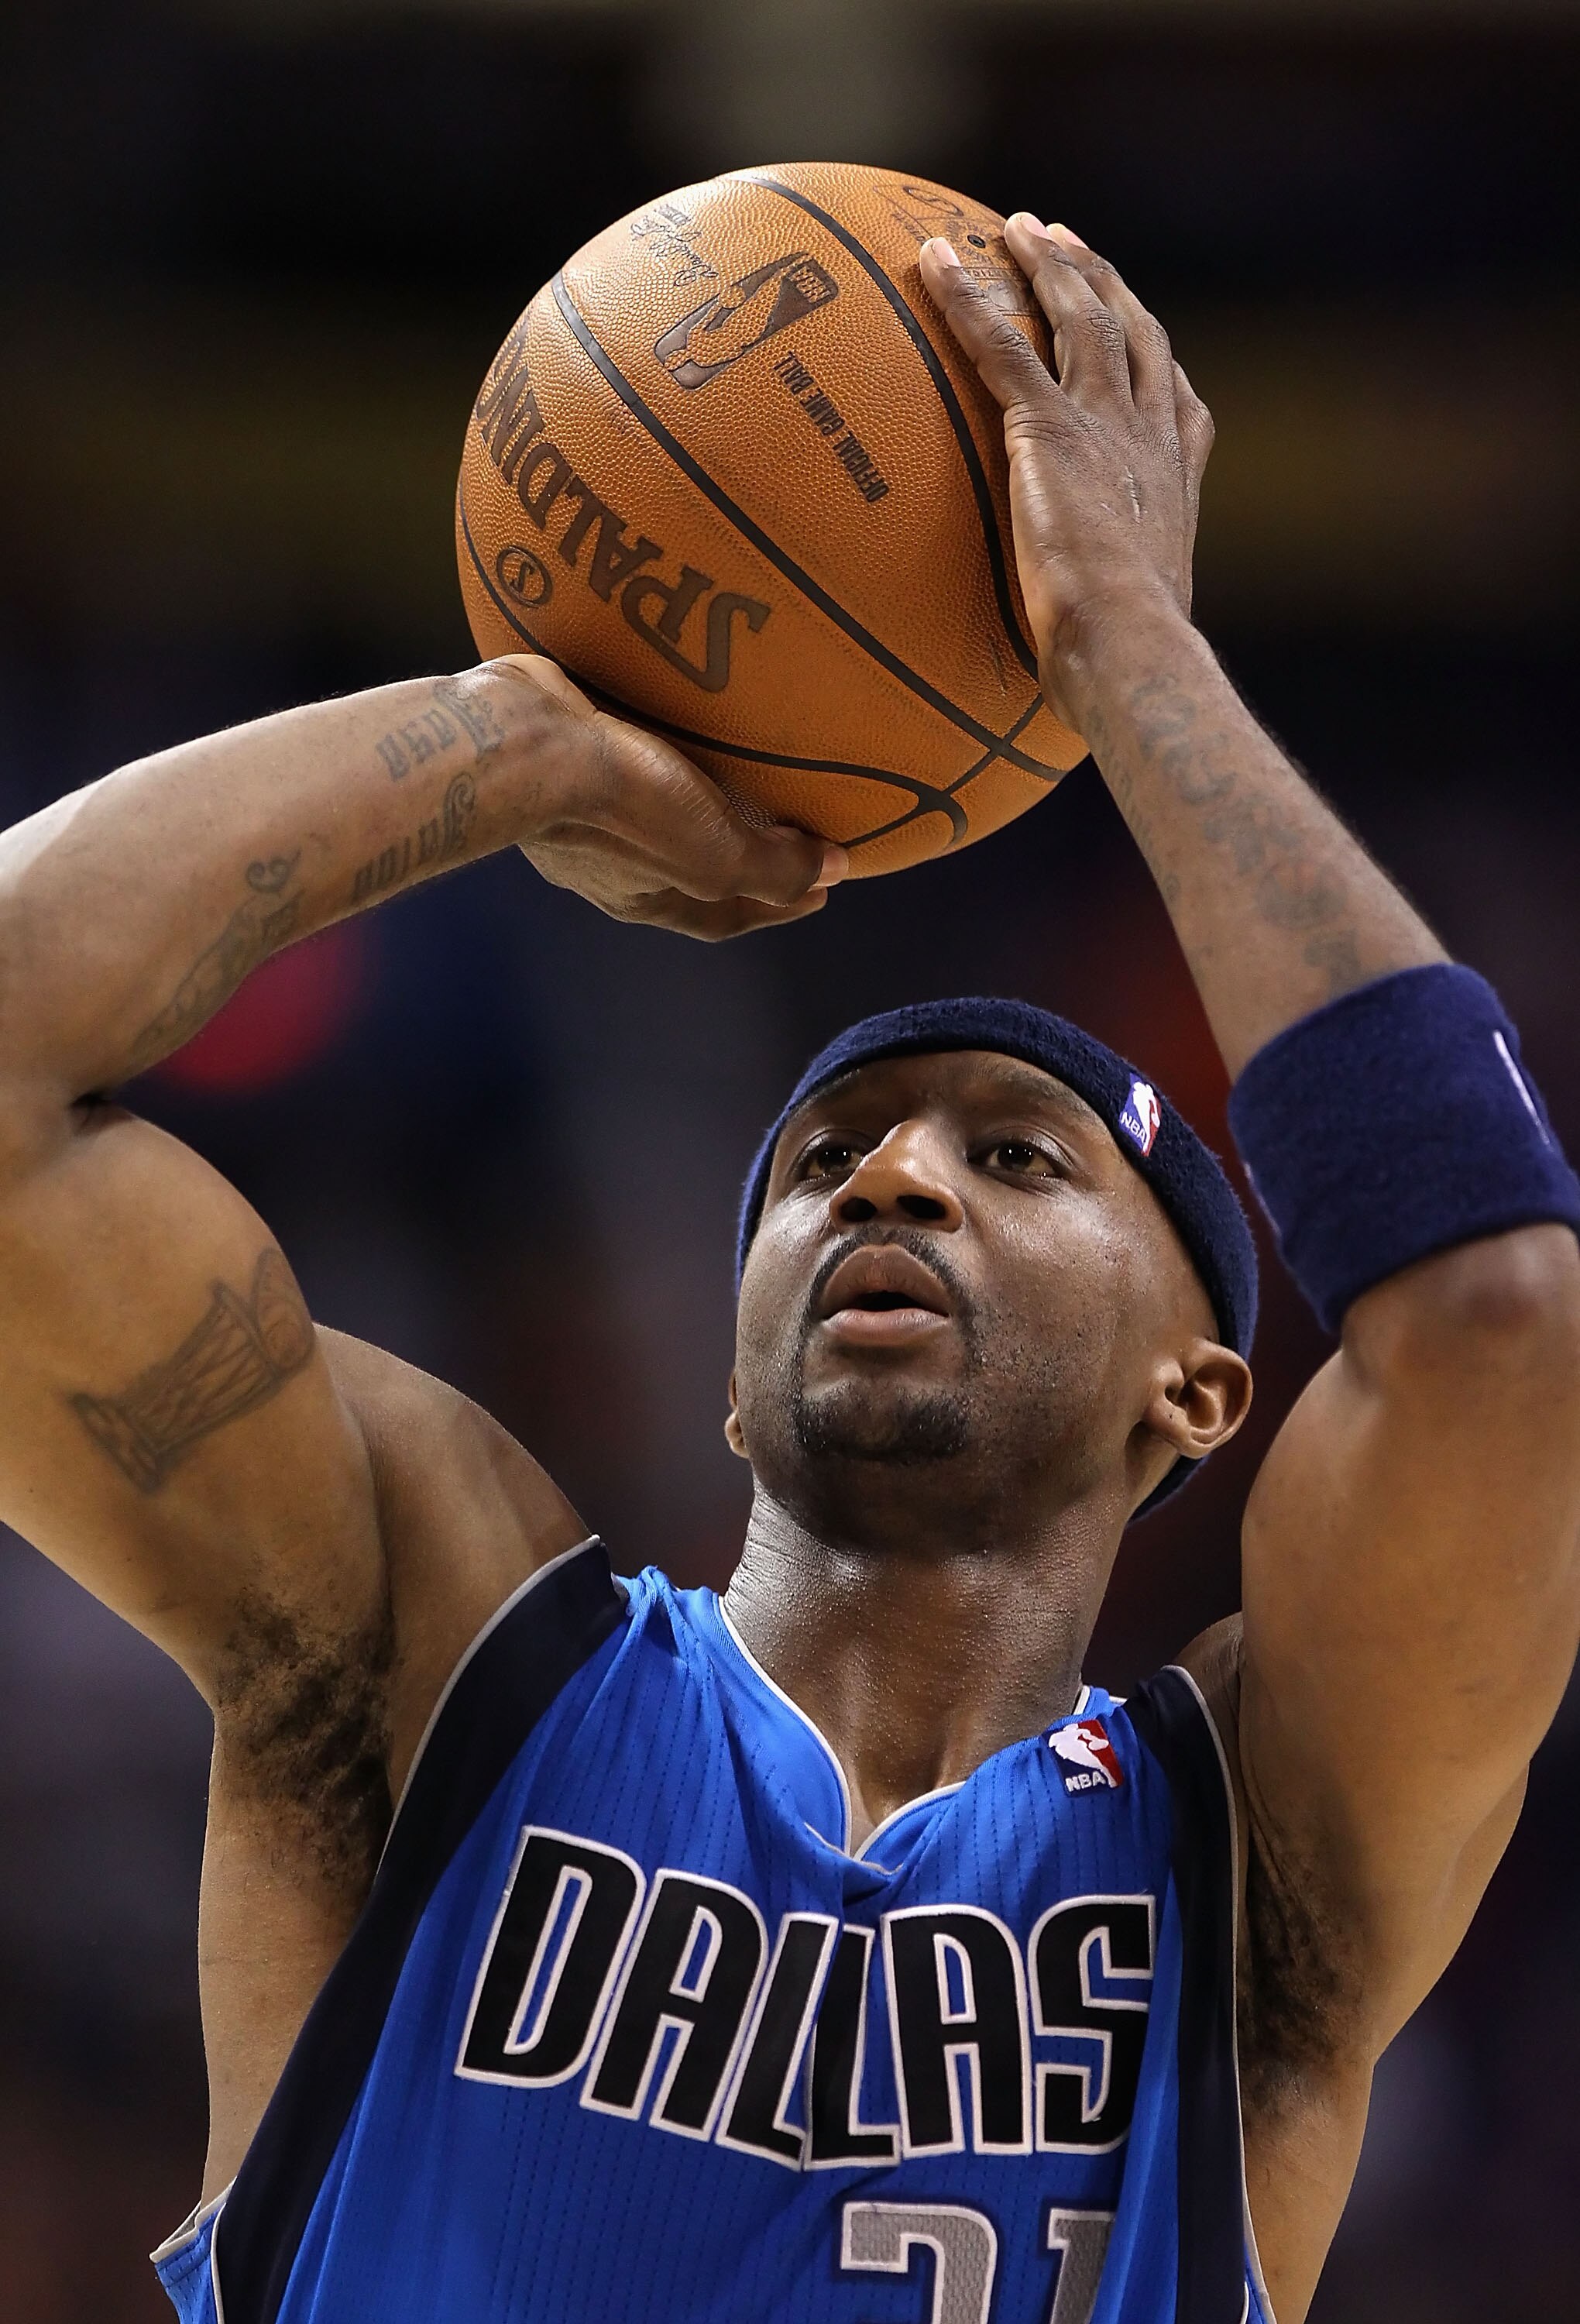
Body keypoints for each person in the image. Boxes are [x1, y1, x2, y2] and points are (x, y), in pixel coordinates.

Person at [0, 216, 1575, 2324]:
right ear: (735, 1384)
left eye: (1013, 1158)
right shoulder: (445, 1650)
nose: (892, 1176)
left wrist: (1126, 644)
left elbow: (1496, 1318)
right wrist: (520, 740)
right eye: (823, 1160)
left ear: (1199, 1392)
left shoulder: (1250, 1855)